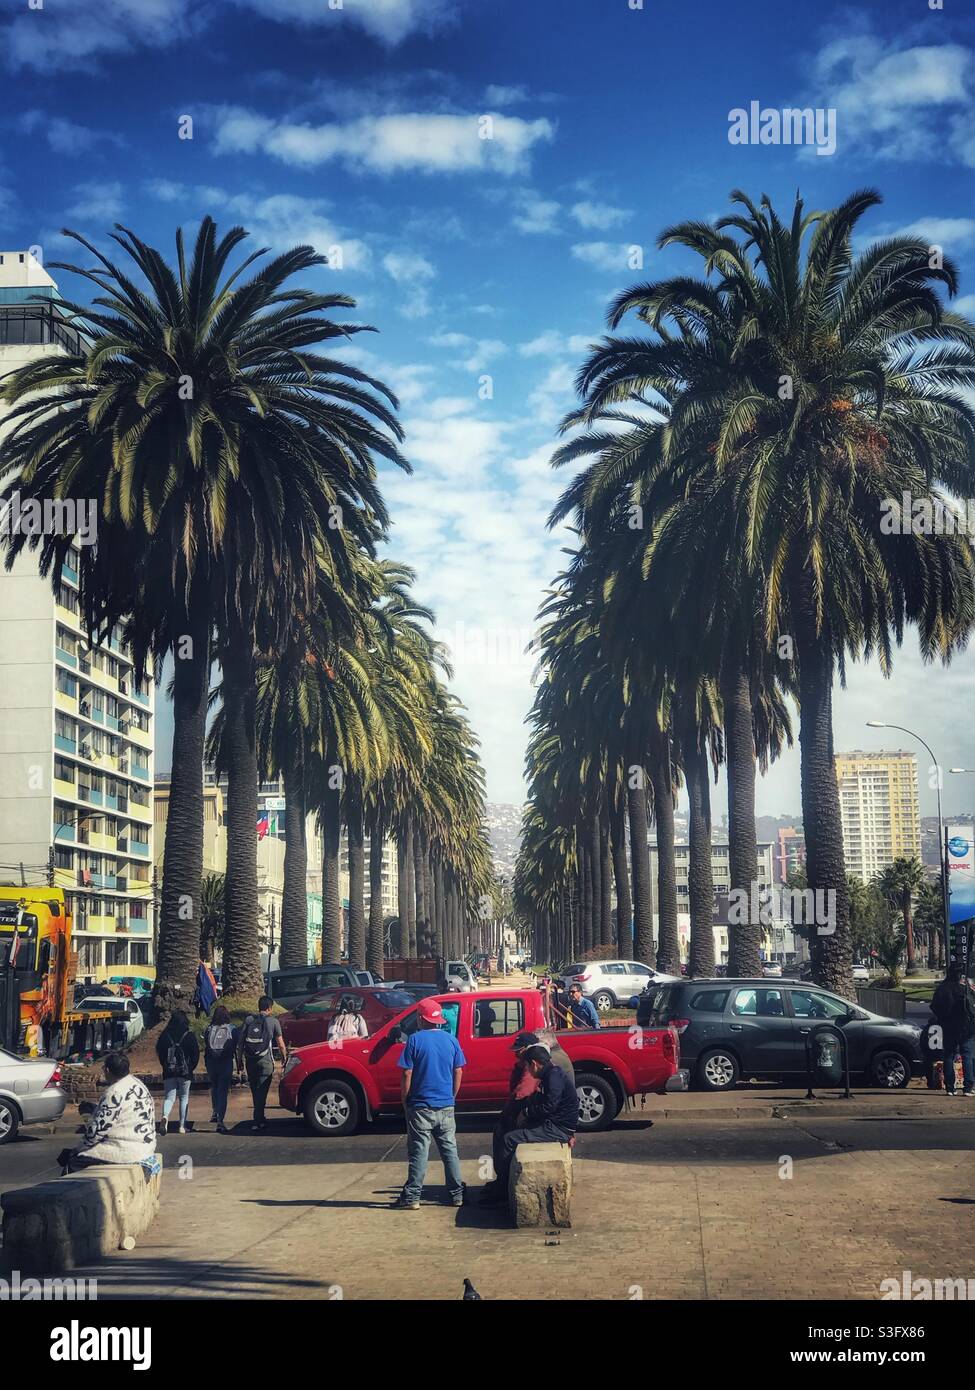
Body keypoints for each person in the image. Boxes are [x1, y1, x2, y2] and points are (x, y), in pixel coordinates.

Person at [481, 1044, 579, 1206]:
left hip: (557, 1129)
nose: (527, 1069)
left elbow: (550, 1106)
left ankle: (504, 1191)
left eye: (527, 1065)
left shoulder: (553, 1077)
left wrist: (527, 1113)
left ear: (534, 1064)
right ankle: (501, 1182)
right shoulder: (550, 1074)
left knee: (509, 1139)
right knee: (504, 1130)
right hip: (553, 1123)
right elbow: (539, 1100)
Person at [394, 997, 466, 1210]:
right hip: (446, 1105)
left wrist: (404, 1099)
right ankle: (457, 1195)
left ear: (420, 1018)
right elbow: (458, 1070)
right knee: (450, 1151)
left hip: (420, 1106)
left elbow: (407, 1073)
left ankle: (413, 1198)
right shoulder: (451, 1040)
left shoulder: (414, 1041)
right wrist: (452, 1095)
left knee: (419, 1152)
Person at [58, 1053, 156, 1174]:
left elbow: (97, 1132)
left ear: (108, 1070)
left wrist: (77, 1150)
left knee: (74, 1161)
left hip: (127, 1150)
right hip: (145, 1145)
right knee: (88, 1108)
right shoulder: (137, 1083)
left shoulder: (115, 1092)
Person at [236, 995, 287, 1131]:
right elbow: (281, 1044)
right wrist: (284, 1058)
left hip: (250, 1060)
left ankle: (259, 1118)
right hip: (265, 1062)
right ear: (269, 1008)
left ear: (259, 1007)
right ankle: (258, 1119)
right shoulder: (273, 1022)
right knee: (262, 1091)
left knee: (254, 1090)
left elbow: (240, 1043)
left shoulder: (248, 1020)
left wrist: (239, 1060)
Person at [931, 963, 975, 1097]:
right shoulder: (964, 989)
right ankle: (968, 1088)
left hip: (948, 1027)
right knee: (966, 1055)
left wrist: (942, 1018)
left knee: (948, 1056)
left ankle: (950, 1087)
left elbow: (934, 1007)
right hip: (965, 1027)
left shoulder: (941, 989)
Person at [156, 1009, 199, 1135]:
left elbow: (161, 1054)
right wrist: (191, 1068)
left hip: (169, 1071)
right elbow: (195, 1054)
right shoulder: (189, 1035)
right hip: (185, 1072)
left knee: (169, 1097)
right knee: (184, 1098)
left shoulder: (165, 1035)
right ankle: (182, 1126)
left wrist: (165, 1065)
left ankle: (165, 1117)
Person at [203, 1004, 236, 1133]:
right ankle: (221, 1121)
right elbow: (235, 1046)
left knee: (214, 1086)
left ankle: (215, 1112)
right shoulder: (231, 1028)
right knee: (223, 1091)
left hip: (211, 1062)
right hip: (226, 1062)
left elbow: (206, 1045)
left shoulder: (209, 1028)